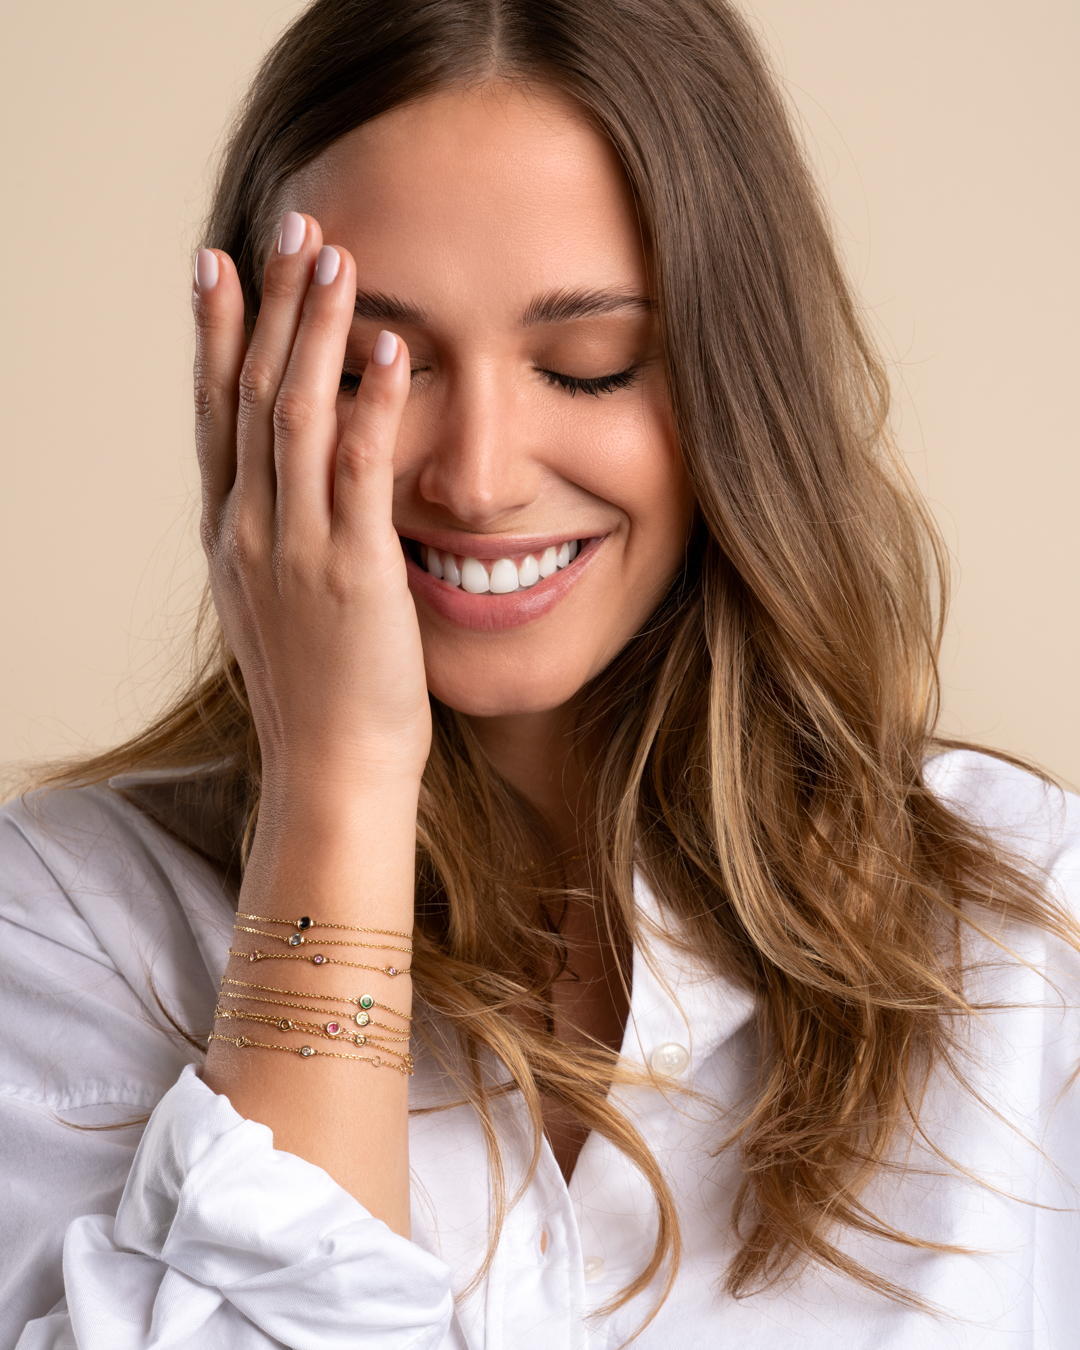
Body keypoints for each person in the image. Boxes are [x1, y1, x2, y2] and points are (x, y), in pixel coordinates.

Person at [2, 0, 1078, 1345]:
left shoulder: (1034, 936)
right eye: (368, 369)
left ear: (736, 388)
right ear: (249, 393)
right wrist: (337, 788)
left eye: (589, 366)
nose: (476, 475)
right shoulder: (62, 923)